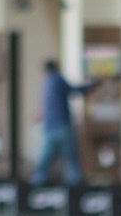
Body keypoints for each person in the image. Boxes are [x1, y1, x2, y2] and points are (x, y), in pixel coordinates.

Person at [35, 57, 89, 187]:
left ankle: (37, 181)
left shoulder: (46, 82)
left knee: (46, 157)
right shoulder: (57, 79)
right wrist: (92, 85)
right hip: (62, 125)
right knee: (70, 156)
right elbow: (74, 91)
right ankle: (76, 184)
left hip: (50, 126)